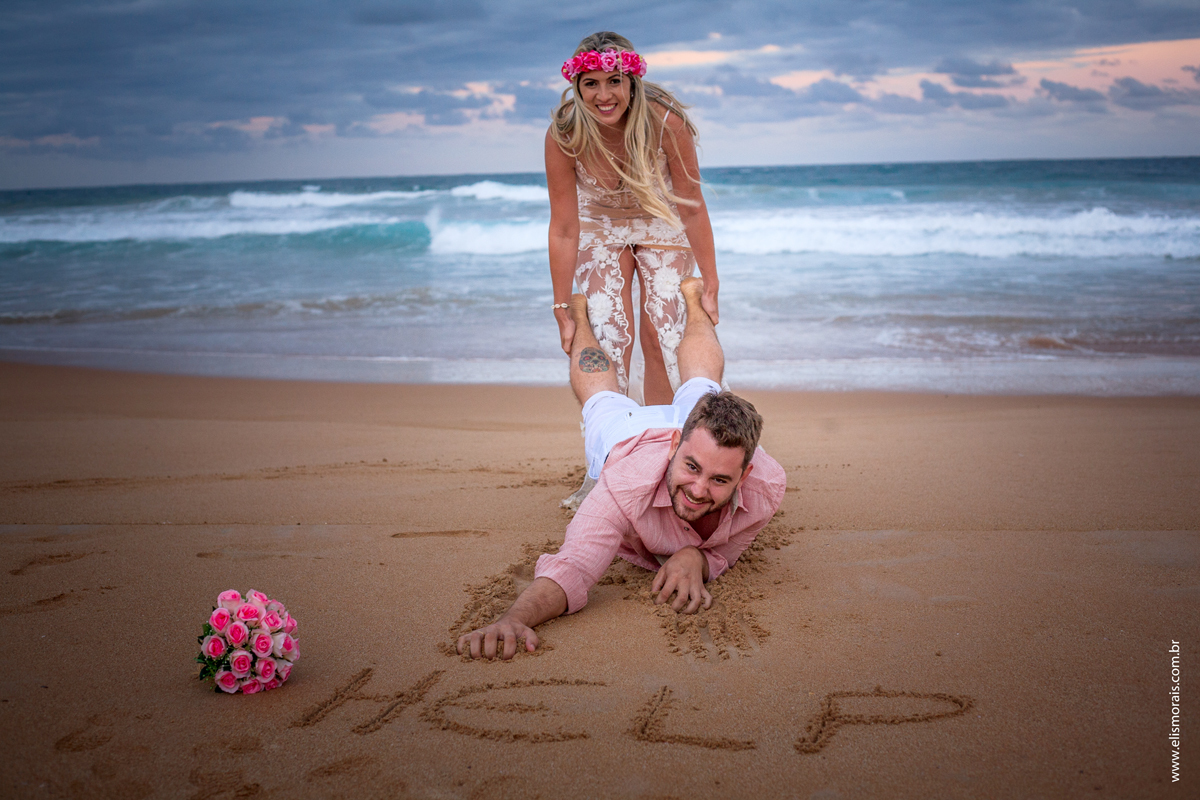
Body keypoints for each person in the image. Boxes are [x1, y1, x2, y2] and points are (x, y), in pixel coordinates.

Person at [456, 278, 786, 661]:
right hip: (627, 435)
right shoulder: (625, 483)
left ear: (743, 476)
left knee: (703, 385)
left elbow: (727, 551)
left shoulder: (766, 487)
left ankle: (694, 301)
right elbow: (575, 565)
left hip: (701, 441)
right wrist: (514, 617)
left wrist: (697, 557)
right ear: (674, 445)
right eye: (691, 468)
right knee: (600, 397)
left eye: (719, 480)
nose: (697, 490)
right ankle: (579, 317)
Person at [546, 31, 720, 408]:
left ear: (632, 81)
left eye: (614, 82)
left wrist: (710, 282)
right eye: (590, 84)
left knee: (664, 334)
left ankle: (664, 440)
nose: (603, 95)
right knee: (609, 334)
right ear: (576, 85)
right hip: (601, 225)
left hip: (659, 218)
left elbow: (690, 204)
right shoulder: (565, 134)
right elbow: (563, 228)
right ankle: (612, 444)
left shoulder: (666, 123)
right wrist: (561, 308)